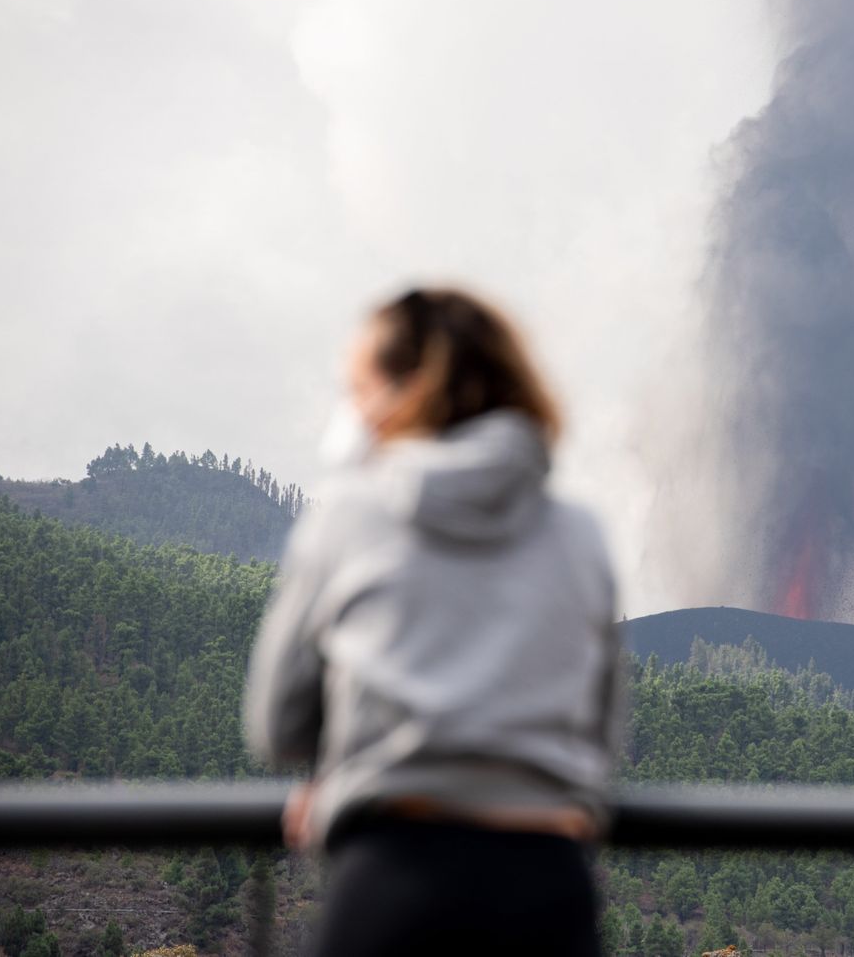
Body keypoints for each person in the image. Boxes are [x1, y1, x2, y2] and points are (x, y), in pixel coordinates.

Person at [243, 287, 620, 956]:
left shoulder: (346, 517)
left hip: (397, 880)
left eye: (358, 388)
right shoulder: (582, 536)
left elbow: (276, 728)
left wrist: (350, 771)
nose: (352, 410)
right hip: (548, 894)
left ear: (400, 395)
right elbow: (604, 734)